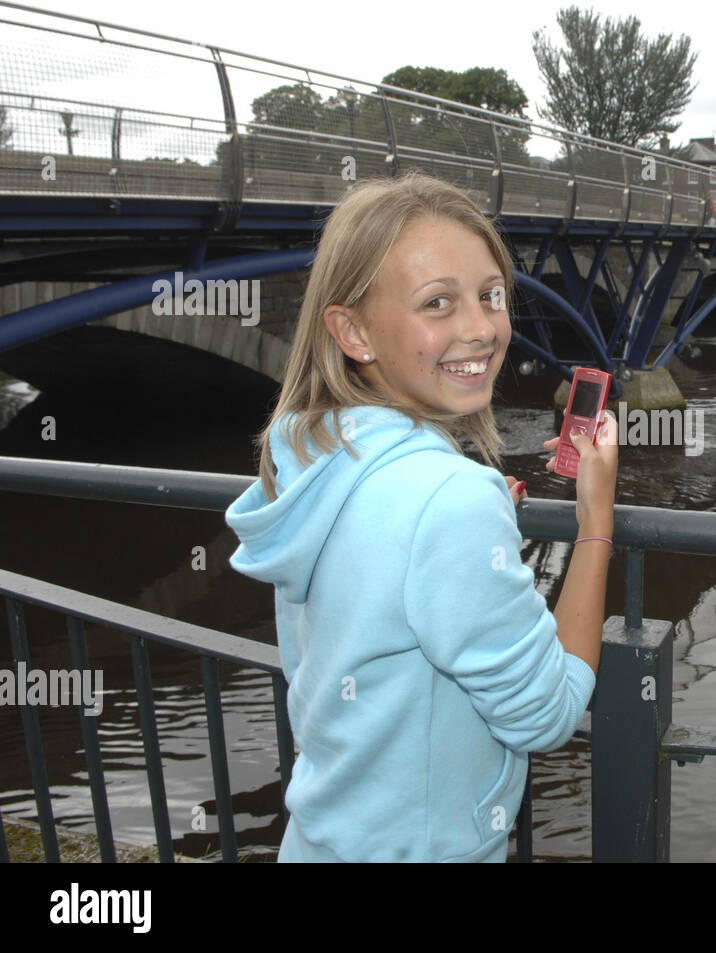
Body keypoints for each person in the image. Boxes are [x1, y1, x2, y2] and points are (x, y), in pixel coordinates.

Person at [225, 173, 619, 862]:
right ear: (352, 330)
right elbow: (549, 712)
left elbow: (387, 553)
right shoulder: (446, 501)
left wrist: (461, 503)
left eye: (492, 295)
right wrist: (596, 522)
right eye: (438, 302)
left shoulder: (313, 452)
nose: (482, 327)